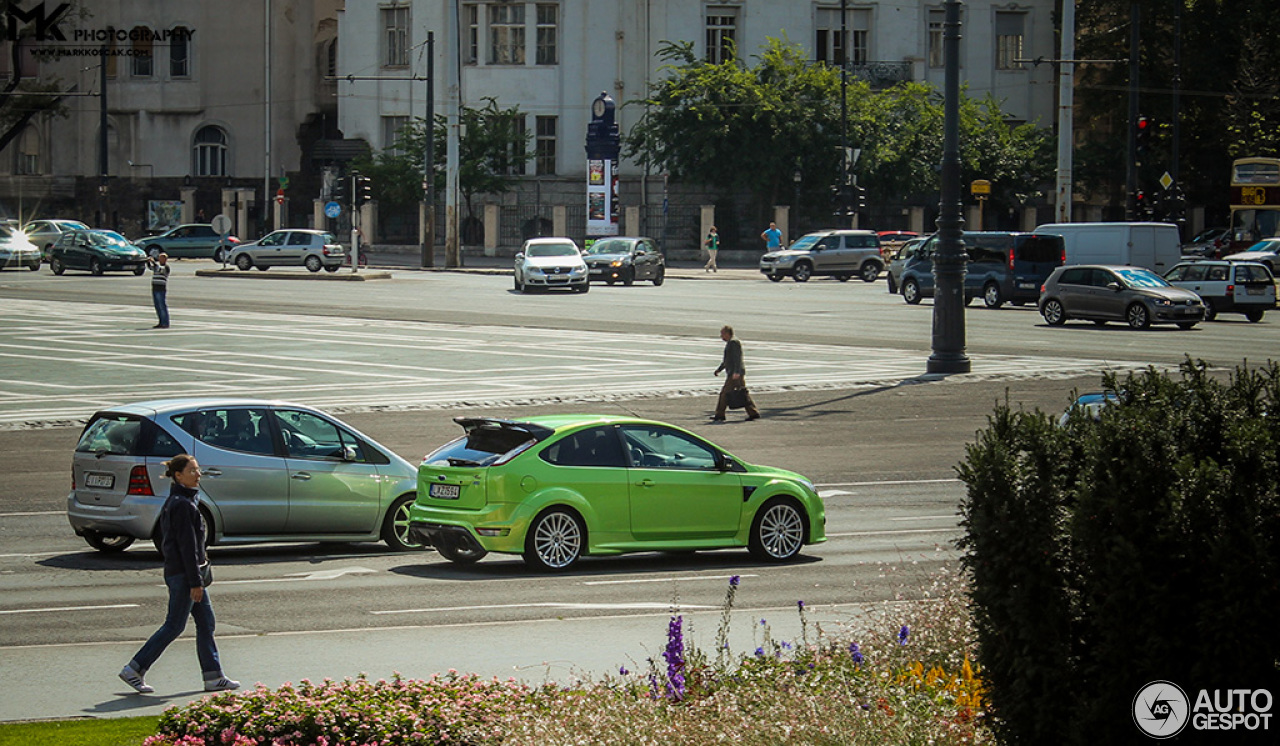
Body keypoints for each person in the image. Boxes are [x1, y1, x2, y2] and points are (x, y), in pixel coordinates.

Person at [118, 454, 239, 695]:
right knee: (174, 625)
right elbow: (187, 548)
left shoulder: (183, 500)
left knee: (206, 623)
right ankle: (135, 669)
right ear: (178, 475)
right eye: (192, 470)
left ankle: (213, 676)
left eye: (198, 469)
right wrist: (195, 582)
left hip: (188, 574)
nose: (198, 474)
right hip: (185, 576)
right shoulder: (182, 505)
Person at [712, 325, 760, 421]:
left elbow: (737, 359)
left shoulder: (734, 342)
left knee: (725, 393)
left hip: (735, 374)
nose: (721, 336)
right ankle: (753, 412)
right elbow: (727, 360)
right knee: (743, 394)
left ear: (727, 333)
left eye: (722, 334)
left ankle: (720, 414)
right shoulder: (731, 342)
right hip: (734, 373)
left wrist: (736, 372)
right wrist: (719, 369)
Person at [147, 252, 170, 329]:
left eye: (161, 258)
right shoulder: (157, 266)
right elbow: (151, 268)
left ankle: (165, 322)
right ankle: (160, 321)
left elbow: (159, 269)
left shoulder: (166, 267)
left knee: (162, 305)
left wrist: (153, 261)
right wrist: (148, 262)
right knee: (157, 306)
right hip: (155, 287)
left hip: (161, 288)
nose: (160, 260)